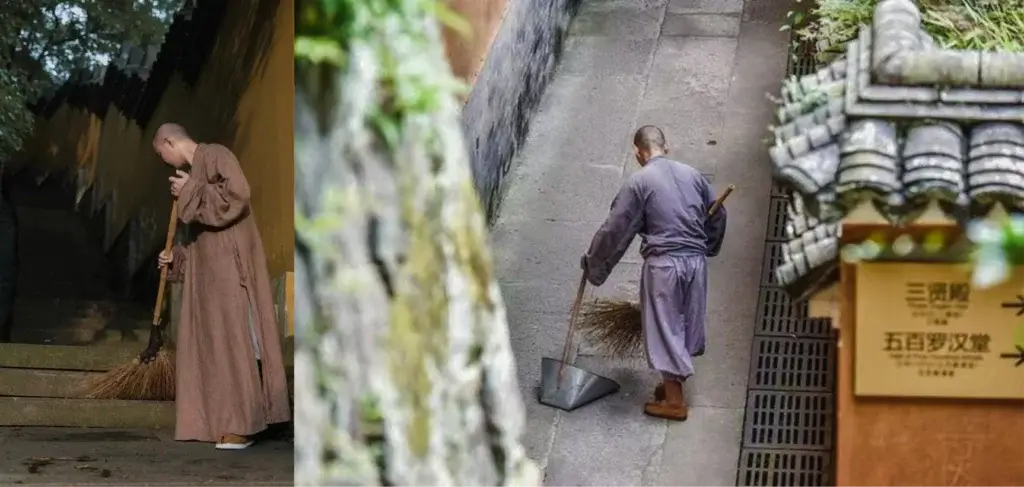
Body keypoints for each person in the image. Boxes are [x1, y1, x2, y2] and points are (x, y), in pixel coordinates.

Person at [151, 123, 290, 449]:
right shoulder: (194, 173)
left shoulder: (216, 155)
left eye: (162, 153)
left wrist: (192, 189)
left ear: (170, 141)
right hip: (209, 280)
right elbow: (200, 241)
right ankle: (217, 421)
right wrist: (176, 260)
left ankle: (243, 424)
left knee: (234, 344)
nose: (166, 162)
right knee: (211, 350)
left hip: (231, 271)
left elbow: (238, 195)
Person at [580, 125, 727, 421]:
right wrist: (706, 247)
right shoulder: (693, 175)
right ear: (666, 146)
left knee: (664, 326)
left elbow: (615, 229)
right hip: (695, 262)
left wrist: (593, 263)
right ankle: (671, 385)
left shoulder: (639, 183)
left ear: (638, 153)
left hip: (665, 266)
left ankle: (675, 402)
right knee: (685, 320)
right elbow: (718, 214)